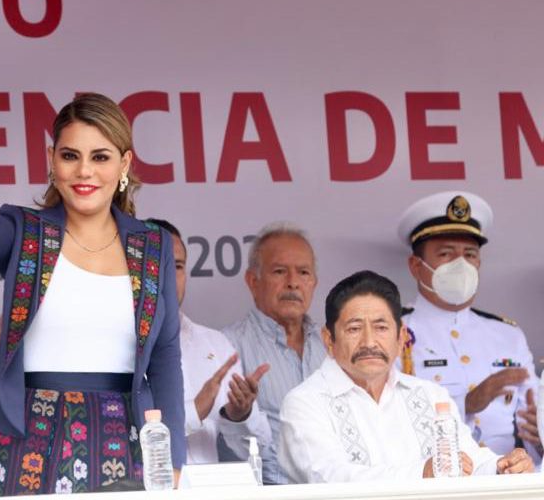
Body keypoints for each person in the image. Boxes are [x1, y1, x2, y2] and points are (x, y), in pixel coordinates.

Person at [0, 61, 185, 495]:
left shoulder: (153, 246)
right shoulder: (27, 234)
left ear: (124, 164)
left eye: (101, 157)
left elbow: (165, 357)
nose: (84, 171)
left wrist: (175, 458)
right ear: (52, 161)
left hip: (126, 432)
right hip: (31, 435)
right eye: (70, 155)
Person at [279, 271, 533, 483]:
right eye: (354, 328)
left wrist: (501, 466)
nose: (369, 342)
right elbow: (330, 477)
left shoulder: (430, 395)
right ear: (328, 340)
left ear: (401, 338)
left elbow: (466, 458)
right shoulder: (304, 403)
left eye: (381, 327)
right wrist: (422, 473)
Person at [398, 192, 540, 462]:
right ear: (416, 266)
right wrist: (465, 404)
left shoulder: (508, 335)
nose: (460, 264)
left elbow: (531, 422)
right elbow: (389, 422)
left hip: (509, 478)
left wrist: (540, 436)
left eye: (470, 254)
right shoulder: (392, 331)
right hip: (433, 480)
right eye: (446, 253)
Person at [150, 219, 270, 464]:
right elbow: (122, 431)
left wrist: (240, 415)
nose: (169, 276)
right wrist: (194, 411)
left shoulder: (214, 343)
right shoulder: (113, 345)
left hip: (206, 498)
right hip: (145, 498)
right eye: (157, 264)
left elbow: (259, 448)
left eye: (178, 266)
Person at [223, 224, 324, 484]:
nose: (293, 282)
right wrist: (240, 414)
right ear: (253, 282)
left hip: (335, 496)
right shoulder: (227, 346)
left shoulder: (332, 346)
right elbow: (231, 444)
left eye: (303, 272)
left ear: (313, 283)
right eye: (280, 271)